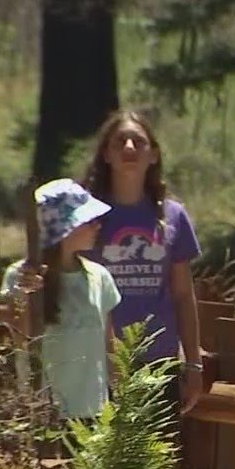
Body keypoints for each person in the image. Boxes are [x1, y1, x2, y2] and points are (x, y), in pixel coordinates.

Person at [79, 110, 205, 421]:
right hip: (98, 360)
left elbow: (182, 296)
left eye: (139, 141)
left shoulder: (173, 217)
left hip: (158, 359)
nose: (130, 148)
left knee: (153, 465)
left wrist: (192, 363)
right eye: (120, 141)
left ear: (154, 155)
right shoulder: (86, 217)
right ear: (106, 154)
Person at [0, 178, 122, 426]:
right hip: (44, 413)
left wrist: (122, 396)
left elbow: (109, 345)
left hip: (95, 413)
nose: (97, 225)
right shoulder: (21, 275)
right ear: (65, 229)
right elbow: (18, 338)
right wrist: (25, 295)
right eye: (88, 220)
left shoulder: (99, 276)